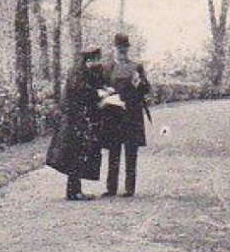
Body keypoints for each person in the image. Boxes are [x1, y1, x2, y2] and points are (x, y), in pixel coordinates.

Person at [47, 47, 109, 201]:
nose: (97, 63)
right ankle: (74, 191)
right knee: (75, 154)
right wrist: (98, 93)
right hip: (73, 120)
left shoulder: (85, 71)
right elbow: (80, 92)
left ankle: (75, 190)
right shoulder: (77, 73)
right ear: (89, 59)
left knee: (77, 154)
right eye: (95, 59)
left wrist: (103, 89)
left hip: (78, 119)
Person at [102, 32, 152, 198]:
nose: (121, 51)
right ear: (113, 49)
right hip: (113, 115)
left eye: (124, 48)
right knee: (113, 152)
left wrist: (139, 85)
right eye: (118, 48)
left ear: (127, 49)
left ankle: (129, 188)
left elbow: (146, 89)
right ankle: (111, 187)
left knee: (131, 152)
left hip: (131, 115)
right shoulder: (107, 68)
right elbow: (101, 89)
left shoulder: (135, 67)